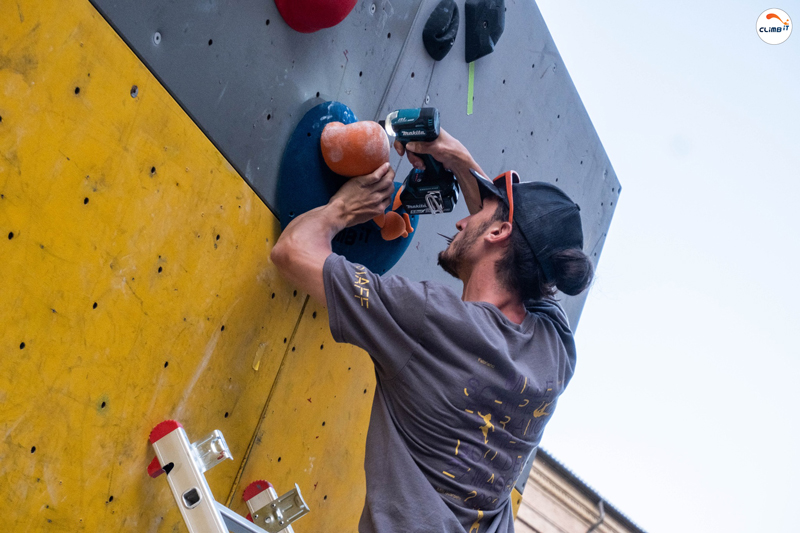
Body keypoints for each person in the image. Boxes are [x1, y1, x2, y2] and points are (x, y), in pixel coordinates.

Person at [270, 129, 594, 533]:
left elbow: (292, 251)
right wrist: (458, 160)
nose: (461, 218)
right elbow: (512, 240)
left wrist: (343, 209)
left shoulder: (429, 319)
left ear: (497, 232)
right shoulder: (556, 351)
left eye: (477, 214)